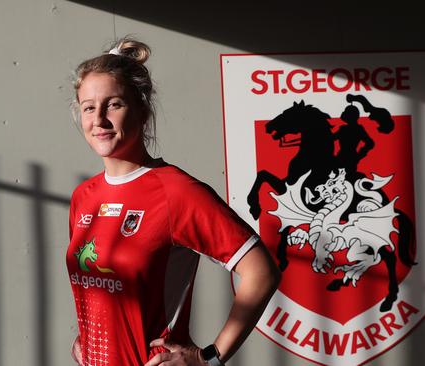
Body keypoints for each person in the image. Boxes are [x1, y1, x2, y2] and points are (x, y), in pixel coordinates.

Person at [66, 37, 280, 366]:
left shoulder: (175, 191)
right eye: (89, 107)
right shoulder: (84, 196)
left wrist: (209, 357)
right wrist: (87, 338)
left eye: (115, 104)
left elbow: (261, 271)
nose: (100, 120)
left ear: (142, 110)